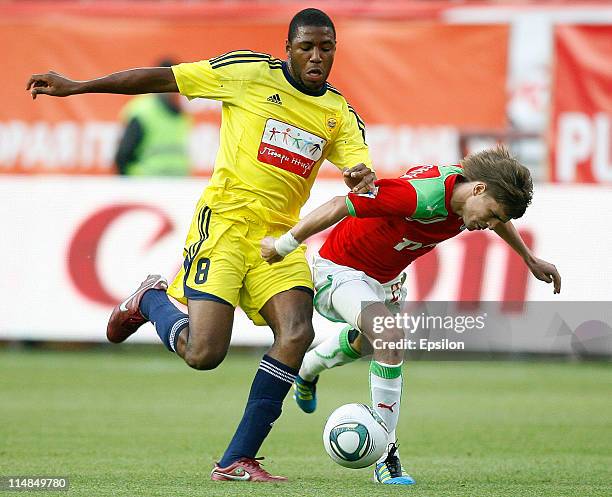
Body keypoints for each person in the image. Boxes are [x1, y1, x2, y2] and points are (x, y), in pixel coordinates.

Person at [27, 8, 375, 482]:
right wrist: (79, 86)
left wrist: (360, 174)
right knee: (204, 354)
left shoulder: (338, 113)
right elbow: (159, 79)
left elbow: (360, 168)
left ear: (335, 51)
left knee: (297, 334)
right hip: (225, 228)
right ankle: (150, 299)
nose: (316, 56)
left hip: (277, 241)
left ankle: (236, 460)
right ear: (287, 48)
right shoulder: (249, 74)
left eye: (326, 48)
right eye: (306, 47)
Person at [261, 146, 562, 485]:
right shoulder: (420, 195)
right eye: (491, 213)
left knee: (367, 345)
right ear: (479, 189)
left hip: (386, 280)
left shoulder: (475, 198)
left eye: (496, 219)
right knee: (389, 336)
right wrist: (282, 246)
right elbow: (336, 205)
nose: (489, 224)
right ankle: (387, 457)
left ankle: (308, 368)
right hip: (341, 270)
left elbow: (500, 220)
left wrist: (529, 259)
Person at [115, 58, 193, 176]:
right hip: (146, 187)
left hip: (176, 187)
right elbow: (123, 156)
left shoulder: (183, 115)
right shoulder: (143, 111)